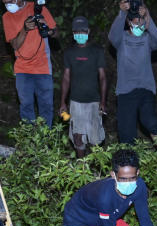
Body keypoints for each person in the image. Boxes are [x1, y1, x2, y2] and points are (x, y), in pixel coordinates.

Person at [109, 0, 157, 144]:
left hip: (145, 88)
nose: (138, 26)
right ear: (128, 22)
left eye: (141, 23)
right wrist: (121, 13)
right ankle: (129, 164)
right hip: (126, 91)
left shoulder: (147, 39)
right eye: (135, 22)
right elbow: (111, 37)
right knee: (126, 132)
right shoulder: (121, 39)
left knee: (150, 122)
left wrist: (148, 17)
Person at [3, 0, 57, 126]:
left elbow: (56, 32)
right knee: (26, 106)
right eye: (4, 2)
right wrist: (24, 29)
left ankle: (45, 141)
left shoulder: (38, 8)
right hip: (22, 70)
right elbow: (15, 45)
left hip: (43, 67)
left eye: (10, 1)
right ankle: (30, 140)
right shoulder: (7, 17)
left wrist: (49, 31)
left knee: (46, 107)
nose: (7, 4)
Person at [60, 16, 108, 158]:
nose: (80, 33)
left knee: (94, 140)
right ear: (73, 33)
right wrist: (63, 102)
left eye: (83, 30)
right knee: (78, 139)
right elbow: (66, 77)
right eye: (77, 31)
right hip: (76, 102)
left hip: (93, 101)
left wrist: (103, 102)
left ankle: (95, 171)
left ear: (88, 31)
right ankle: (82, 172)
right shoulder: (69, 53)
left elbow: (103, 77)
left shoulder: (97, 51)